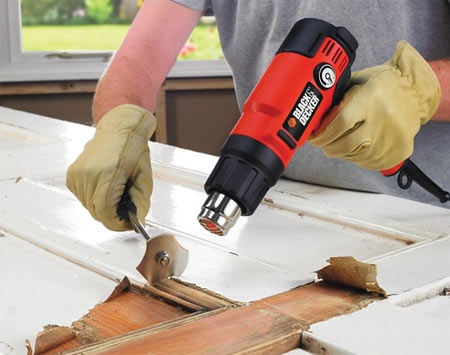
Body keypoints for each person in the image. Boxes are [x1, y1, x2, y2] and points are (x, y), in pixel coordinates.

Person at [66, 0, 450, 231]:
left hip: (423, 223)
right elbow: (140, 56)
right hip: (276, 209)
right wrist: (118, 122)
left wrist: (419, 91)